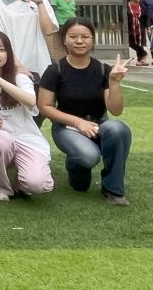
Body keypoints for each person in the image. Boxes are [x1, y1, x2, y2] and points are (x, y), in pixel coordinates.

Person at [39, 18, 131, 205]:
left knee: (118, 129)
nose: (79, 41)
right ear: (64, 40)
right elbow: (44, 106)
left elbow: (116, 110)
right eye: (73, 37)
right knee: (88, 159)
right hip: (67, 128)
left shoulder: (103, 70)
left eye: (85, 37)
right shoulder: (55, 70)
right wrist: (78, 122)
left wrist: (114, 82)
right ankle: (75, 165)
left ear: (92, 40)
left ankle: (113, 189)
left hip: (98, 125)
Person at [0, 30, 53, 201]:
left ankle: (21, 183)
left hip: (26, 139)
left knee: (37, 184)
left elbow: (31, 100)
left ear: (9, 54)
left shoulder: (20, 77)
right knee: (1, 140)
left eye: (1, 49)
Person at [126, 0, 149, 66]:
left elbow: (146, 17)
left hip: (140, 28)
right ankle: (144, 54)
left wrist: (148, 27)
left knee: (140, 44)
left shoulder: (141, 6)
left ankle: (140, 61)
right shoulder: (126, 6)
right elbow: (121, 16)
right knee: (131, 43)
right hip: (129, 29)